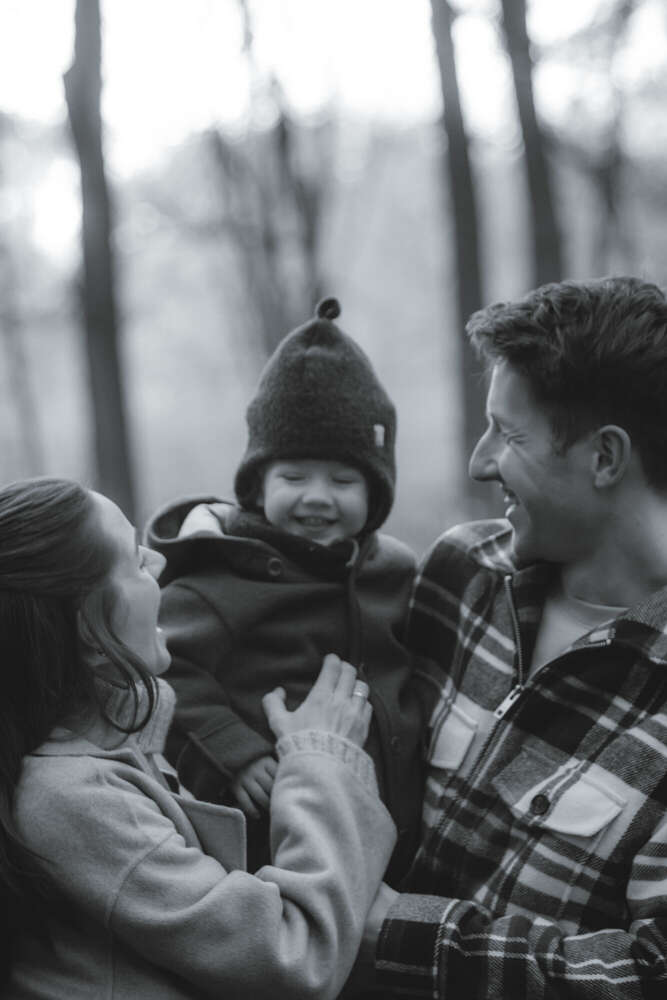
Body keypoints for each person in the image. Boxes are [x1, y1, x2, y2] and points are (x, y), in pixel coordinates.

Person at [354, 276, 667, 998]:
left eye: (508, 431)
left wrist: (404, 934)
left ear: (605, 458)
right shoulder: (459, 574)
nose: (478, 460)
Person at [1, 477, 396, 999]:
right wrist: (323, 762)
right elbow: (291, 957)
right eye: (137, 562)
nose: (159, 564)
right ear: (89, 633)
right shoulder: (74, 798)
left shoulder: (100, 754)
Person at [147, 297, 424, 880]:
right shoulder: (226, 573)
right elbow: (164, 664)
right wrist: (235, 753)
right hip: (272, 829)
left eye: (343, 479)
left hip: (385, 827)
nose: (318, 497)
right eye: (293, 477)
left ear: (375, 493)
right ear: (257, 485)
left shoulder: (393, 572)